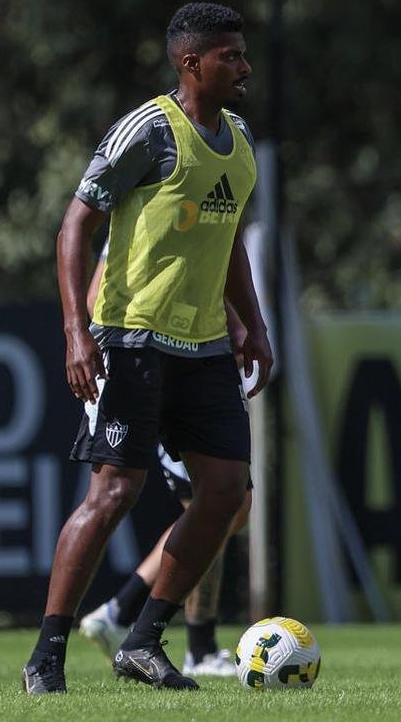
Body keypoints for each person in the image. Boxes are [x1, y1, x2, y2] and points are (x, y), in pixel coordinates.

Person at [23, 1, 272, 694]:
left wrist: (252, 324)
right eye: (230, 56)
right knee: (113, 493)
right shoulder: (149, 130)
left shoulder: (241, 139)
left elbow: (228, 242)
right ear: (191, 63)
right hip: (131, 337)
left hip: (205, 345)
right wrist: (77, 332)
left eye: (243, 54)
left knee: (225, 493)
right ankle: (46, 655)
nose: (245, 67)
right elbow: (74, 227)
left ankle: (142, 640)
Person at [78, 247, 252, 678]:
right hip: (162, 368)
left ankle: (123, 613)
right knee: (210, 502)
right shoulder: (145, 220)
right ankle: (195, 644)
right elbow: (96, 294)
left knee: (228, 506)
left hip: (193, 364)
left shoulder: (207, 218)